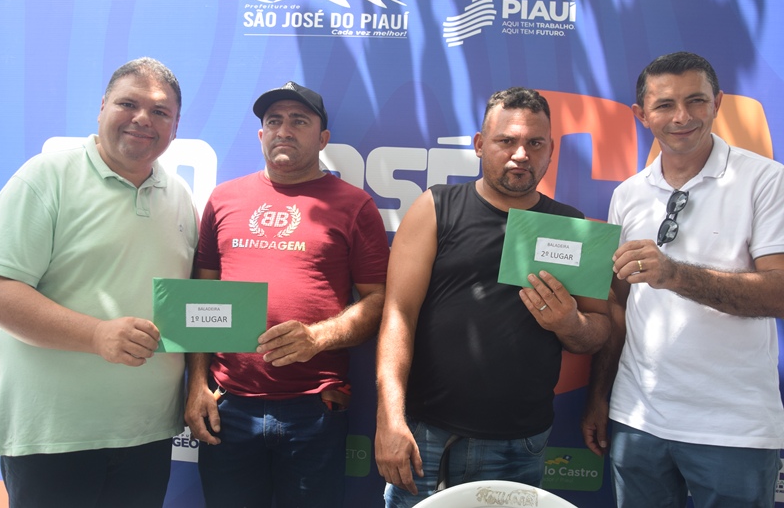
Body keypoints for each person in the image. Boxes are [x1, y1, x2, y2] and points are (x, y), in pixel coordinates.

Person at [375, 87, 610, 507]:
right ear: (480, 144)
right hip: (427, 435)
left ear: (551, 150)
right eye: (507, 141)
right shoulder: (436, 208)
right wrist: (390, 418)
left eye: (535, 143)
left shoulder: (571, 226)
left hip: (520, 443)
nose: (521, 154)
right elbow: (398, 315)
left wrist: (570, 324)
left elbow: (599, 331)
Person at [0, 57, 198, 507]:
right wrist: (97, 334)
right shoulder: (46, 177)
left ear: (176, 127)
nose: (143, 119)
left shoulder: (179, 196)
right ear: (102, 107)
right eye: (128, 104)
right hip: (55, 437)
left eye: (160, 111)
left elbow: (191, 306)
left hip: (147, 434)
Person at [582, 52, 784, 507]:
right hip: (637, 421)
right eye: (665, 105)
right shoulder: (627, 194)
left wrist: (675, 275)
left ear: (718, 103)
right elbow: (619, 306)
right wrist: (600, 396)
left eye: (696, 100)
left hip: (734, 429)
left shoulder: (766, 181)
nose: (682, 117)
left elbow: (779, 293)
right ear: (641, 115)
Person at [184, 81, 389, 508]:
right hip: (228, 403)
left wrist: (317, 337)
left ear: (323, 138)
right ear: (261, 135)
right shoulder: (223, 199)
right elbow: (201, 297)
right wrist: (197, 384)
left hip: (314, 407)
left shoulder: (354, 205)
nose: (284, 130)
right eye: (274, 121)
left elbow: (378, 301)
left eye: (299, 121)